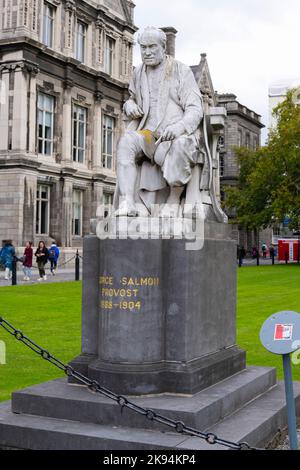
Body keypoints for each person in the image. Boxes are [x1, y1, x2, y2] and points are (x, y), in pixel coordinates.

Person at [114, 26, 204, 217]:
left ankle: (173, 199)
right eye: (143, 48)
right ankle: (127, 202)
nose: (146, 52)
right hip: (148, 133)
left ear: (163, 47)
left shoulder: (181, 70)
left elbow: (195, 109)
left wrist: (179, 128)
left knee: (181, 145)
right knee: (126, 142)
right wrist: (128, 105)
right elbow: (132, 98)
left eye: (152, 47)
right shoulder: (138, 72)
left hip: (174, 134)